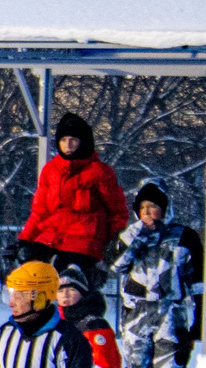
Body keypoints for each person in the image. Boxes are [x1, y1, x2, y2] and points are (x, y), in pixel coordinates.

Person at [16, 111, 128, 295]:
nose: (68, 145)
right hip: (51, 238)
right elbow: (39, 212)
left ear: (83, 142)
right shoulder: (51, 170)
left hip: (84, 242)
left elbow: (118, 213)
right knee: (29, 273)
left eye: (73, 140)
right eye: (63, 140)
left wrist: (109, 245)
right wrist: (25, 239)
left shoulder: (100, 172)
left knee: (70, 287)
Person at [108, 181, 204, 368]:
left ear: (164, 208)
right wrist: (137, 236)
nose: (146, 212)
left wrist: (200, 317)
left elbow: (198, 280)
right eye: (142, 207)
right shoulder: (130, 235)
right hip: (136, 312)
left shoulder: (185, 236)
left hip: (170, 311)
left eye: (152, 206)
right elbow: (116, 265)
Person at [55, 262, 124, 368]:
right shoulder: (56, 321)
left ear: (82, 293)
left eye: (72, 290)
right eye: (60, 290)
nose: (65, 294)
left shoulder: (93, 324)